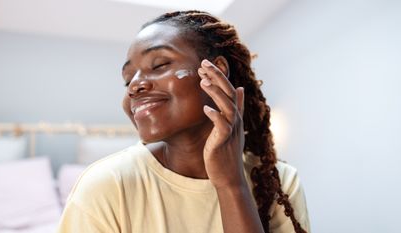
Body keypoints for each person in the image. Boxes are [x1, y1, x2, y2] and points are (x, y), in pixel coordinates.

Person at [57, 10, 310, 233]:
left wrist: (232, 185)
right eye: (127, 79)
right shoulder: (105, 185)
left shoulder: (278, 182)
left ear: (215, 71)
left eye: (160, 64)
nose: (134, 86)